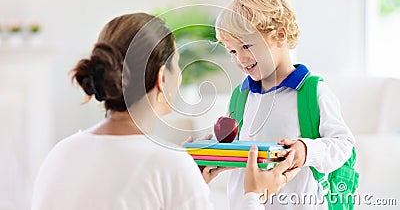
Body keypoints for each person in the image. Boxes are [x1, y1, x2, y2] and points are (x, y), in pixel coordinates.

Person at [31, 12, 300, 210]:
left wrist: (187, 184)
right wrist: (254, 195)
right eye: (177, 65)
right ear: (162, 78)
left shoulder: (60, 153)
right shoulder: (169, 164)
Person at [215, 0, 356, 210]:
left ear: (280, 36)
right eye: (232, 51)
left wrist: (306, 150)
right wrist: (211, 149)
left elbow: (343, 145)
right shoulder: (241, 96)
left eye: (246, 46)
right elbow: (237, 149)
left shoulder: (311, 91)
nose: (240, 59)